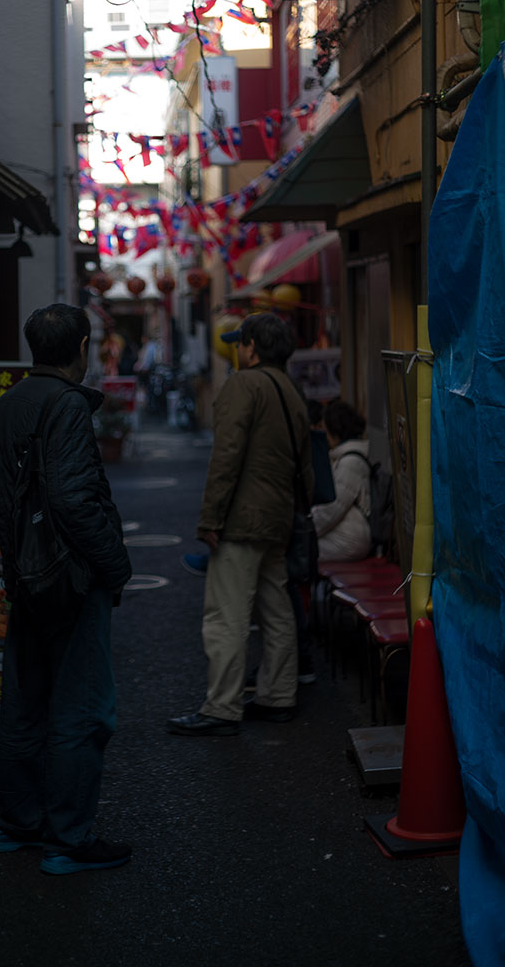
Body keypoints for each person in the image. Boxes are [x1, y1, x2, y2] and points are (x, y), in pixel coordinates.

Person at [0, 303, 133, 874]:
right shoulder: (67, 404)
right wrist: (114, 565)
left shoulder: (6, 406)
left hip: (24, 576)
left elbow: (3, 504)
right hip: (69, 578)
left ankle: (16, 824)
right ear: (81, 349)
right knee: (80, 708)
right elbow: (74, 501)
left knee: (25, 705)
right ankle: (68, 840)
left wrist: (13, 569)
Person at [167, 313, 314, 735]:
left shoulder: (242, 385)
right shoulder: (291, 389)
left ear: (251, 346)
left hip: (242, 518)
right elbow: (305, 463)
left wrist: (210, 517)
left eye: (240, 343)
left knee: (227, 614)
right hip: (278, 517)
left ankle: (222, 706)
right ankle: (278, 695)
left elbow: (226, 457)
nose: (236, 349)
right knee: (277, 610)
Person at [311, 400, 372, 561]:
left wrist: (308, 529)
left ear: (335, 432)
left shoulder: (350, 463)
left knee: (301, 551)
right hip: (345, 534)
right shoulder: (345, 458)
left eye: (325, 429)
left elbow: (333, 507)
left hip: (350, 539)